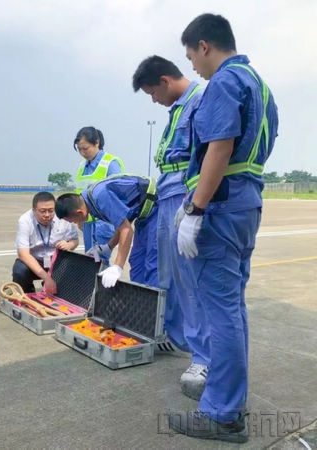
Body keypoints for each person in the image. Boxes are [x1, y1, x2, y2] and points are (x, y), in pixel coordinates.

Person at [168, 14, 278, 443]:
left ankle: (223, 413)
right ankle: (230, 399)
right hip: (245, 202)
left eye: (191, 55)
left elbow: (219, 146)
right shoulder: (260, 85)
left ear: (204, 45)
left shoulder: (226, 82)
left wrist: (195, 209)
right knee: (233, 308)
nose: (193, 65)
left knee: (220, 312)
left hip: (221, 205)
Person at [132, 56, 210, 400]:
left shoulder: (200, 102)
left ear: (164, 80)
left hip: (183, 195)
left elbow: (207, 156)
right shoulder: (177, 109)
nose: (153, 100)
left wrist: (194, 207)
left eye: (152, 92)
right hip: (167, 193)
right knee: (168, 277)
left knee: (191, 281)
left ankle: (203, 357)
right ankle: (173, 335)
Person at [55, 174, 158, 289]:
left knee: (152, 263)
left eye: (73, 221)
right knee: (136, 262)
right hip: (144, 217)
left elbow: (126, 230)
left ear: (80, 212)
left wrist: (117, 266)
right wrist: (108, 246)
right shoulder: (90, 202)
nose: (75, 223)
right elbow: (122, 222)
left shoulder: (100, 197)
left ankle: (158, 304)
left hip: (157, 209)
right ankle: (143, 301)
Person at [73, 127, 125, 257]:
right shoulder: (82, 166)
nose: (83, 153)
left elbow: (118, 194)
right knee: (89, 259)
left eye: (85, 148)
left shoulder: (111, 163)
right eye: (79, 149)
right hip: (87, 222)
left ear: (96, 143)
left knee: (100, 262)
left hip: (104, 223)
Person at [12, 191, 79, 293]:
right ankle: (27, 294)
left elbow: (75, 240)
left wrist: (69, 245)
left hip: (56, 261)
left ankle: (52, 290)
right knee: (20, 269)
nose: (47, 215)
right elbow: (23, 254)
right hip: (34, 261)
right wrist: (46, 278)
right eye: (43, 211)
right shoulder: (25, 220)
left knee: (74, 268)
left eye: (51, 211)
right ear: (34, 210)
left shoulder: (62, 217)